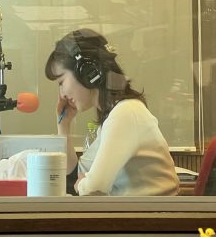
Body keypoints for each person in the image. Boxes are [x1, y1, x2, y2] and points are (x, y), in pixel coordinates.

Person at [44, 28, 179, 196]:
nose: (62, 94)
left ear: (87, 71)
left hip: (152, 212)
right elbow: (73, 179)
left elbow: (93, 188)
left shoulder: (126, 113)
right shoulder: (115, 115)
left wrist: (83, 185)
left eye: (61, 82)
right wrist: (64, 126)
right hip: (137, 211)